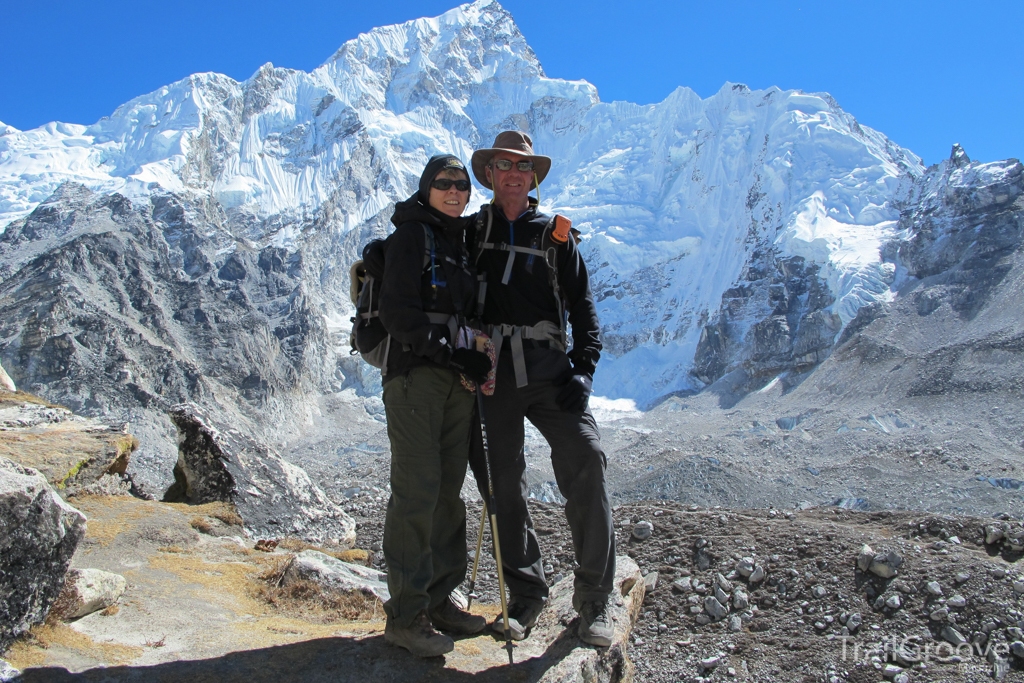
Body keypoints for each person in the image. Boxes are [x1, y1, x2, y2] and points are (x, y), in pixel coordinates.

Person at [467, 131, 615, 647]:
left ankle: (596, 600)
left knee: (587, 458)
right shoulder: (471, 233)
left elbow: (584, 307)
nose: (513, 173)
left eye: (522, 166)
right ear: (489, 174)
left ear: (533, 177)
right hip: (492, 375)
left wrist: (584, 370)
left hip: (551, 369)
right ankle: (527, 595)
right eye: (504, 165)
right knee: (501, 484)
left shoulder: (555, 235)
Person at [377, 154, 493, 658]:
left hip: (455, 384)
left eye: (461, 185)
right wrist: (451, 352)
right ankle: (405, 615)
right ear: (426, 189)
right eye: (444, 184)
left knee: (448, 493)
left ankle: (440, 600)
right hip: (415, 380)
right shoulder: (410, 238)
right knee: (417, 491)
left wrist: (472, 355)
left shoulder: (457, 243)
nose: (453, 191)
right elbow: (398, 314)